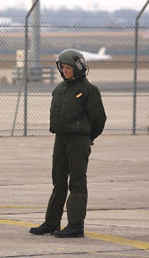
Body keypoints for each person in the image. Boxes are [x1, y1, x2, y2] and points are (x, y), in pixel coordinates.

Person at [29, 49, 106, 238]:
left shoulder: (89, 90)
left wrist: (88, 138)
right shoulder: (60, 89)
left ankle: (75, 225)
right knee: (58, 181)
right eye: (62, 68)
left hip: (79, 140)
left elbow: (99, 119)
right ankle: (52, 222)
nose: (64, 71)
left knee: (77, 182)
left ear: (78, 68)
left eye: (68, 68)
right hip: (61, 139)